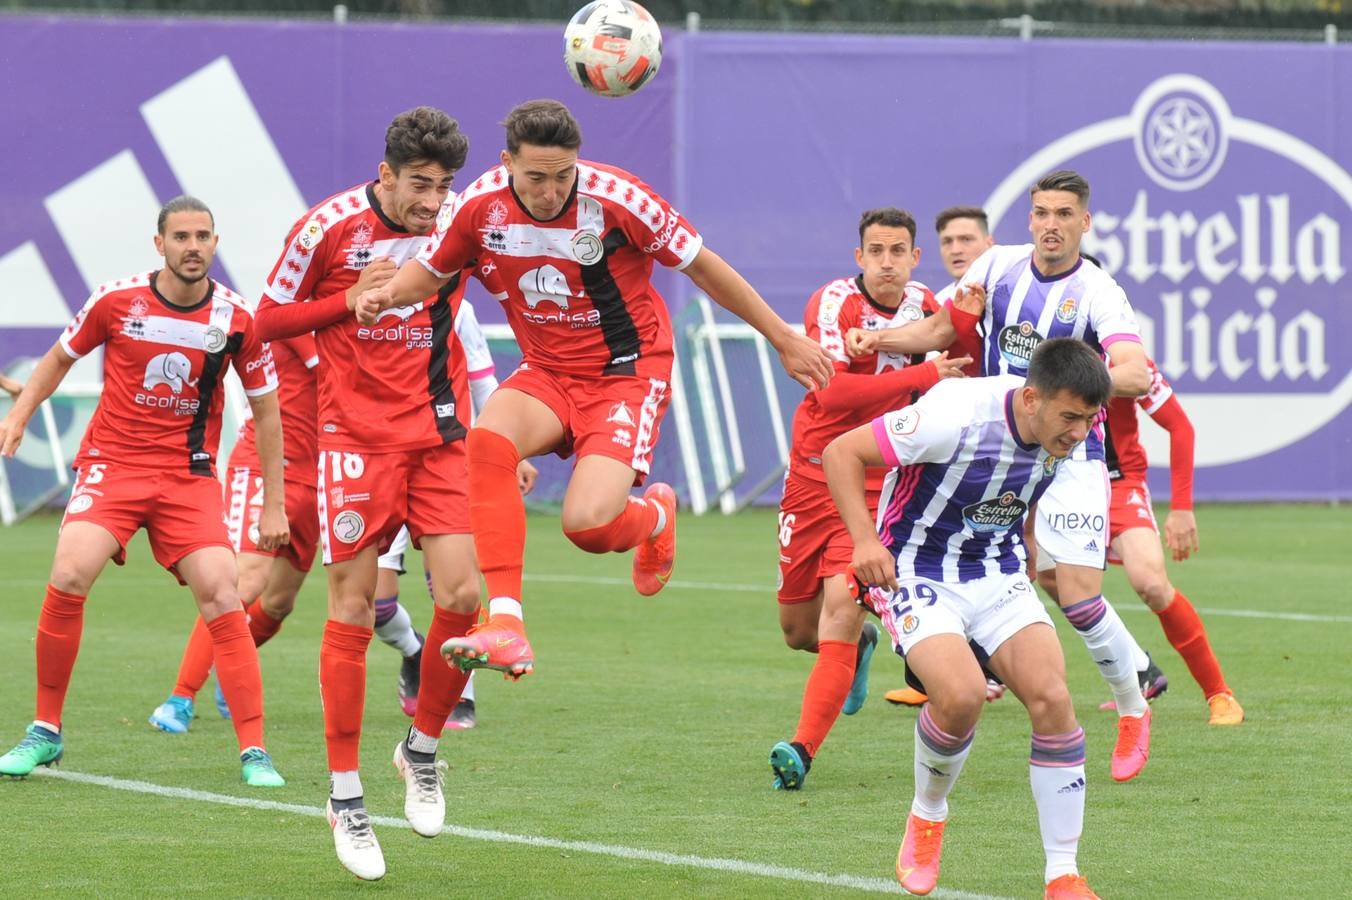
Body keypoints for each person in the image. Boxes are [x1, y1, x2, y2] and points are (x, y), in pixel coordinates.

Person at [357, 98, 833, 682]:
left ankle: (654, 518)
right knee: (487, 440)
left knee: (586, 526)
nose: (550, 190)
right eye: (535, 177)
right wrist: (381, 296)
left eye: (562, 175)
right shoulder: (480, 208)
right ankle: (505, 618)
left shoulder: (618, 200)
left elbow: (704, 266)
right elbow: (429, 273)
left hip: (626, 375)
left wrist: (782, 337)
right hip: (547, 372)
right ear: (508, 163)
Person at [848, 170, 1158, 783]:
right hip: (998, 441)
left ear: (1085, 223)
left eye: (1064, 215)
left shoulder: (1098, 291)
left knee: (1075, 592)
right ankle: (951, 660)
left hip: (1069, 452)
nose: (1050, 224)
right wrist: (878, 336)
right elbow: (941, 330)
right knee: (1027, 572)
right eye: (1041, 212)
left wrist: (1070, 383)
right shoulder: (996, 267)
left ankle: (1132, 704)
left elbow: (1137, 374)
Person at [253, 107, 481, 881]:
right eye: (420, 185)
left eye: (443, 186)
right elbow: (265, 321)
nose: (432, 201)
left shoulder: (459, 226)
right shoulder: (326, 228)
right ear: (384, 174)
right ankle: (346, 798)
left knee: (464, 597)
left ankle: (420, 749)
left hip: (441, 430)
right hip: (355, 438)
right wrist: (344, 303)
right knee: (351, 610)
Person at [0, 196, 287, 788]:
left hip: (188, 475)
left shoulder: (236, 318)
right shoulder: (115, 300)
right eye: (180, 236)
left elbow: (266, 412)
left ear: (215, 242)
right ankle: (45, 731)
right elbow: (58, 359)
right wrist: (20, 415)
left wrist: (273, 502)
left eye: (203, 236)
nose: (193, 246)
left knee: (222, 592)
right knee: (70, 572)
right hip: (115, 464)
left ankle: (254, 750)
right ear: (159, 244)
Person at [825, 337, 1111, 900]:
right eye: (1071, 418)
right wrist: (863, 542)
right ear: (1032, 399)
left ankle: (1063, 874)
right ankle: (927, 815)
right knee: (961, 697)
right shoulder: (953, 415)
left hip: (995, 569)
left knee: (1053, 698)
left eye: (1089, 420)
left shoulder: (1069, 431)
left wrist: (1026, 540)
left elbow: (1027, 483)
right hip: (915, 566)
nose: (1079, 432)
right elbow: (841, 452)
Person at [767, 207, 974, 791]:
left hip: (879, 484)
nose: (887, 262)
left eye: (898, 251)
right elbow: (832, 396)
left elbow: (953, 357)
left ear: (915, 258)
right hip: (810, 478)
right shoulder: (833, 304)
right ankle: (861, 646)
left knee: (839, 609)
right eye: (876, 251)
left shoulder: (927, 308)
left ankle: (801, 750)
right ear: (859, 258)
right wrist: (923, 378)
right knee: (797, 631)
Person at [1039, 352, 1243, 725]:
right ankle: (1139, 670)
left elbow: (1180, 426)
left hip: (1119, 483)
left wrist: (1181, 509)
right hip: (1055, 482)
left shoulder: (1128, 364)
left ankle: (1219, 694)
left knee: (1150, 582)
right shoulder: (1045, 354)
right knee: (1050, 577)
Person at [147, 331, 320, 732]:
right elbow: (331, 370)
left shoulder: (349, 314)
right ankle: (180, 698)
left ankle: (231, 667)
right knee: (243, 583)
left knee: (279, 602)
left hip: (316, 475)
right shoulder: (296, 315)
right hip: (264, 466)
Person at [382, 298, 539, 731]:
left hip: (444, 460)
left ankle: (460, 695)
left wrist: (514, 451)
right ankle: (415, 652)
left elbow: (484, 383)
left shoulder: (458, 307)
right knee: (372, 605)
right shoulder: (366, 296)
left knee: (454, 589)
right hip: (379, 461)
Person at [885, 205, 997, 708]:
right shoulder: (944, 301)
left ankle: (1135, 671)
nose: (957, 249)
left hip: (1016, 440)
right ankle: (943, 669)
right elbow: (932, 338)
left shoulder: (1011, 289)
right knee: (953, 550)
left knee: (1054, 573)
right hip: (961, 445)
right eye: (948, 240)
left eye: (966, 239)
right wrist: (877, 338)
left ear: (990, 244)